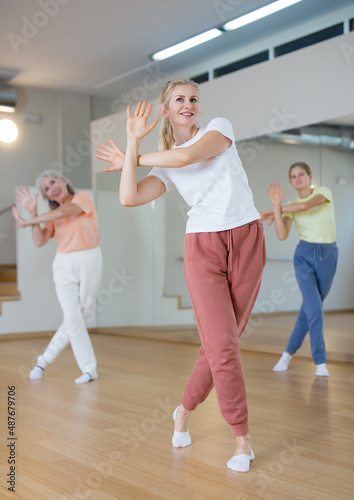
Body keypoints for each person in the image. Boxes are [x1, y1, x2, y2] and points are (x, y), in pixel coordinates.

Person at [96, 79, 266, 472]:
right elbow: (129, 197)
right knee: (223, 348)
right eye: (179, 100)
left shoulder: (218, 129)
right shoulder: (165, 160)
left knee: (220, 345)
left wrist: (132, 156)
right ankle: (242, 440)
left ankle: (184, 410)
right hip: (202, 249)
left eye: (192, 99)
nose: (188, 104)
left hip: (247, 239)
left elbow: (188, 158)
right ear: (166, 111)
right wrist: (133, 144)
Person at [12, 170, 102, 384]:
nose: (51, 188)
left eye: (53, 182)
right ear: (48, 197)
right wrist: (32, 216)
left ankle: (43, 361)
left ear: (63, 182)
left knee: (79, 315)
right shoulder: (50, 215)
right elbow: (39, 241)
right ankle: (89, 369)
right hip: (63, 264)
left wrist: (29, 219)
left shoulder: (82, 199)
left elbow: (64, 213)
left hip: (89, 258)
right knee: (73, 318)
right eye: (46, 189)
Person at [261, 162, 338, 377]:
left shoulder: (323, 193)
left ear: (310, 176)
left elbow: (306, 207)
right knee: (314, 309)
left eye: (301, 174)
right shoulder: (292, 204)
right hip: (304, 257)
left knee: (309, 310)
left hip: (329, 255)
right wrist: (277, 211)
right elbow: (282, 234)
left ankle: (287, 355)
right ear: (290, 181)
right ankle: (320, 361)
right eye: (293, 176)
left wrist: (276, 208)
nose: (298, 179)